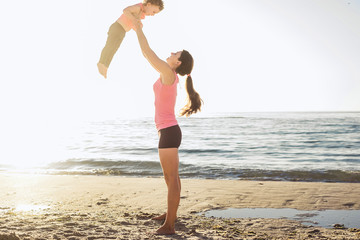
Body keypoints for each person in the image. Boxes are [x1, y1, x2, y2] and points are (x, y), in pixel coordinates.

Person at [133, 22, 203, 235]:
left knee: (172, 178)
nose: (171, 53)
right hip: (167, 131)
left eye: (175, 53)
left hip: (170, 132)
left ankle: (170, 225)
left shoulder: (169, 73)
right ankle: (170, 213)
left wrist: (137, 28)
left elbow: (147, 53)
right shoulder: (170, 75)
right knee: (170, 177)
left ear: (178, 62)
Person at [97, 0, 164, 79]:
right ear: (148, 5)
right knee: (110, 46)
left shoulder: (141, 14)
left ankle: (105, 66)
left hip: (122, 31)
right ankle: (101, 62)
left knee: (114, 48)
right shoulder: (138, 7)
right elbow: (126, 10)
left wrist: (138, 26)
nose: (153, 15)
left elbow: (132, 23)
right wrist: (134, 20)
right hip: (117, 27)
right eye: (154, 11)